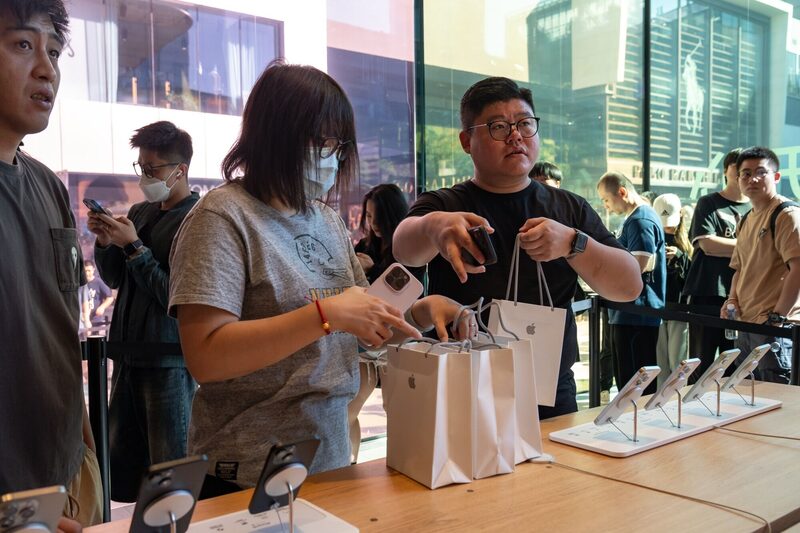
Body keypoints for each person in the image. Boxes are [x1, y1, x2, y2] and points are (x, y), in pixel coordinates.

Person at [168, 62, 473, 493]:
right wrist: (325, 315)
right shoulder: (221, 217)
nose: (334, 156)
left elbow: (362, 327)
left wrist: (423, 313)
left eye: (338, 144)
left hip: (328, 455)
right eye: (323, 141)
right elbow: (206, 356)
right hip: (246, 469)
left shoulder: (325, 219)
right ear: (279, 134)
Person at [393, 76, 642, 418]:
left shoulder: (569, 208)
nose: (515, 136)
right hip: (464, 387)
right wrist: (433, 225)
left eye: (525, 124)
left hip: (551, 388)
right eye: (498, 126)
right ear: (467, 141)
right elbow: (404, 248)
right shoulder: (445, 203)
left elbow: (629, 286)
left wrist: (573, 243)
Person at [0, 0, 101, 528]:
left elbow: (58, 321)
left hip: (67, 465)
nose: (47, 68)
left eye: (54, 51)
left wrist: (82, 432)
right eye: (22, 44)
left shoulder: (47, 185)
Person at [87, 121, 199, 502]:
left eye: (153, 169)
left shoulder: (198, 219)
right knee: (126, 471)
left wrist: (134, 247)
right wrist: (106, 242)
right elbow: (116, 279)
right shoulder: (141, 211)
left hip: (168, 360)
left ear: (179, 169)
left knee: (171, 471)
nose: (145, 177)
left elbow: (178, 297)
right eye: (141, 168)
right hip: (128, 356)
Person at [349, 183, 418, 462]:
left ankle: (403, 461)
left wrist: (370, 269)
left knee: (398, 409)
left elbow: (405, 292)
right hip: (366, 341)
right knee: (350, 409)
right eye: (367, 216)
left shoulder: (410, 250)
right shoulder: (364, 246)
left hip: (399, 338)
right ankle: (350, 461)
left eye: (377, 216)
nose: (373, 223)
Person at [724, 146, 800, 383]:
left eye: (760, 172)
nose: (752, 178)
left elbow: (797, 269)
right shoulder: (746, 218)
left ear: (776, 177)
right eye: (745, 173)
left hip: (774, 328)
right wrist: (731, 300)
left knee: (778, 404)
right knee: (748, 399)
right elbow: (739, 269)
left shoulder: (786, 214)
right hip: (746, 325)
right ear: (738, 179)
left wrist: (777, 318)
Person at [682, 148, 750, 379]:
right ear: (726, 171)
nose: (743, 174)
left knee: (735, 364)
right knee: (701, 363)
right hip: (707, 292)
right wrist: (750, 247)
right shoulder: (709, 202)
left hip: (743, 297)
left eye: (749, 169)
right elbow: (707, 244)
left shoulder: (756, 208)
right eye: (738, 167)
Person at [597, 172, 665, 395]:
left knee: (633, 382)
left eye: (606, 199)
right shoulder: (638, 218)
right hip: (631, 310)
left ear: (622, 192)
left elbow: (639, 264)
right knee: (629, 380)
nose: (606, 206)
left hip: (635, 312)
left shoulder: (640, 220)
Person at [652, 193, 691, 386]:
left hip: (679, 309)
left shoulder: (688, 239)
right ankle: (661, 404)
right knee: (661, 365)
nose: (668, 226)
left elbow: (694, 275)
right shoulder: (652, 235)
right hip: (658, 307)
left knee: (679, 363)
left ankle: (678, 402)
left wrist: (681, 256)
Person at [79, 260, 113, 335]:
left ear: (93, 269)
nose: (87, 273)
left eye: (89, 270)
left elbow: (110, 297)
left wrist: (102, 307)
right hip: (83, 319)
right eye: (85, 271)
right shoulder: (80, 283)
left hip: (96, 319)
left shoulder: (98, 282)